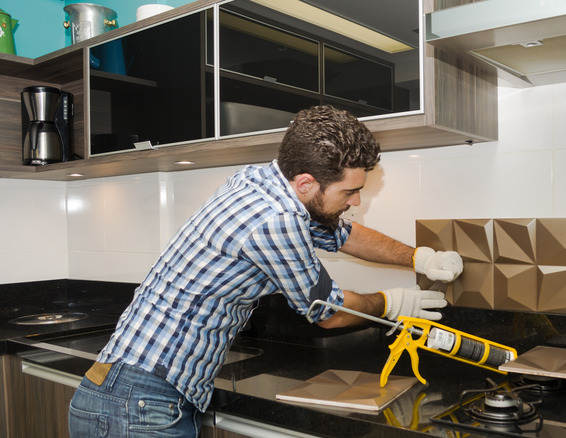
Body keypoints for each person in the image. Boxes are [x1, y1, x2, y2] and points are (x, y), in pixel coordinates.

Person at [68, 105, 463, 437]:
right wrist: (393, 304)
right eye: (349, 191)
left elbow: (340, 233)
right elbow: (329, 312)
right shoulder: (273, 220)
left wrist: (419, 258)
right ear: (306, 182)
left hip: (123, 393)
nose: (357, 200)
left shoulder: (260, 181)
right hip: (139, 406)